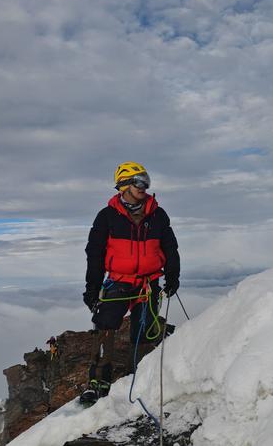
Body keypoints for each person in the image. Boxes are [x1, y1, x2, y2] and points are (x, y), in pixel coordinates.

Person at [80, 161, 180, 406]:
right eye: (139, 181)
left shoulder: (158, 214)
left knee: (143, 331)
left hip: (149, 283)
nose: (144, 187)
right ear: (123, 185)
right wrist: (92, 288)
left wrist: (173, 275)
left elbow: (169, 246)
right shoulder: (107, 217)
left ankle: (140, 376)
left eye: (146, 181)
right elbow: (94, 253)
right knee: (104, 326)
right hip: (119, 282)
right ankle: (98, 383)